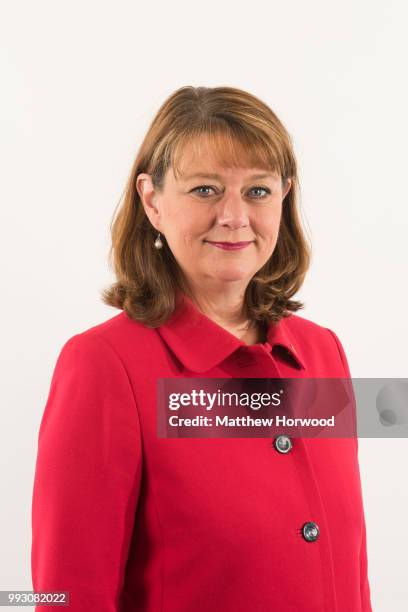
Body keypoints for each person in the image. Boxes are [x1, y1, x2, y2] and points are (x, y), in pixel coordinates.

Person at [31, 85, 372, 611]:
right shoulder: (105, 365)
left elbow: (348, 574)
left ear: (284, 196)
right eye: (206, 190)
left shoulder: (323, 353)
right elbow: (68, 595)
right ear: (152, 201)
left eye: (257, 191)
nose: (235, 216)